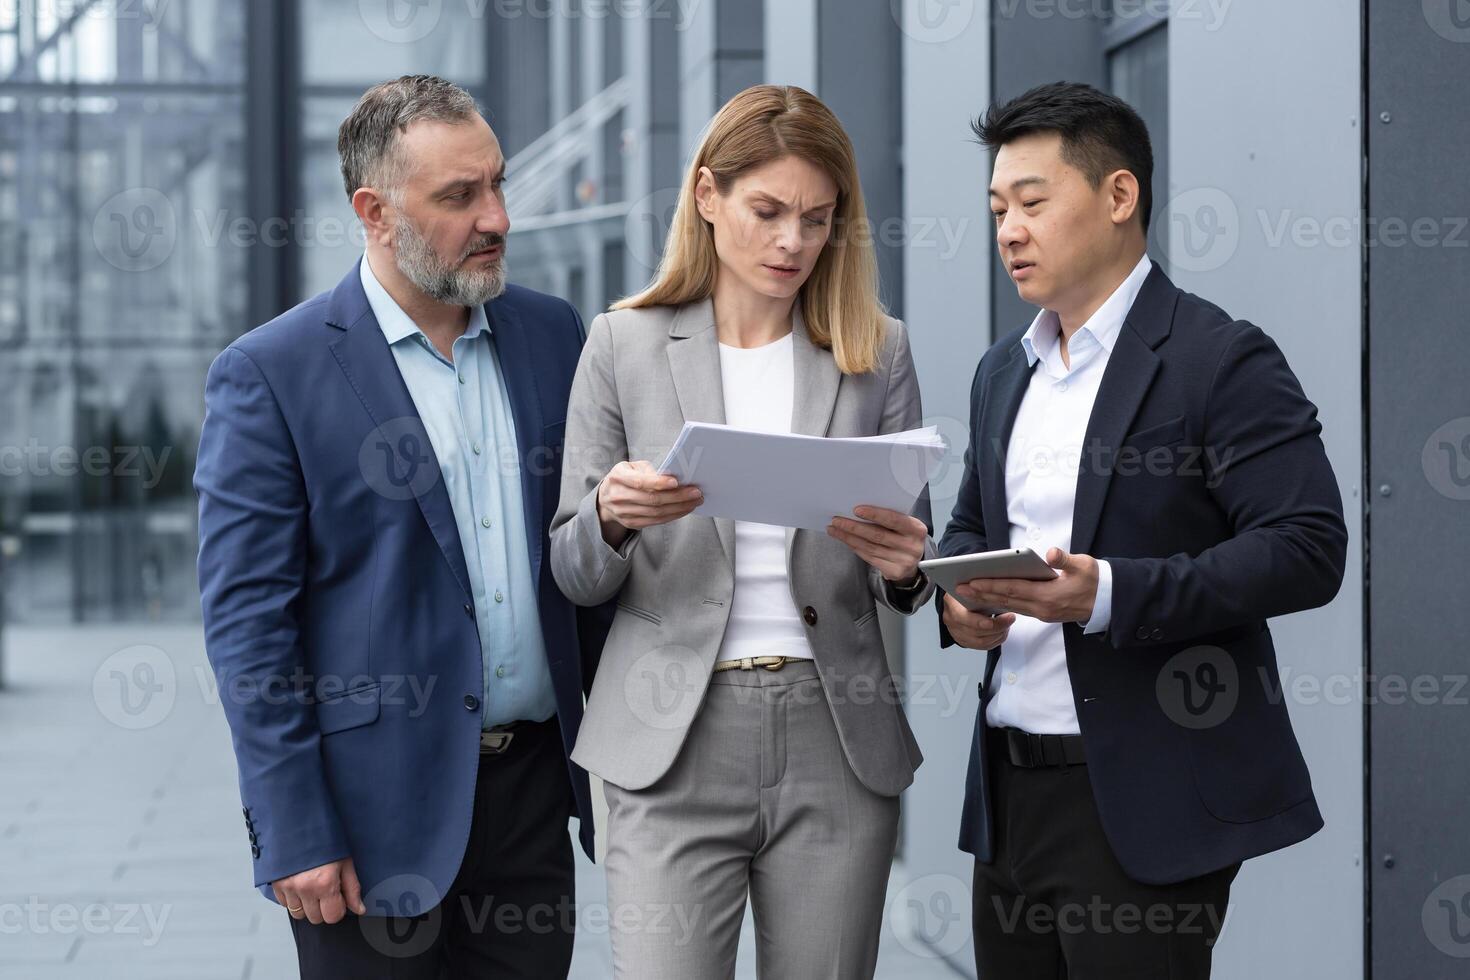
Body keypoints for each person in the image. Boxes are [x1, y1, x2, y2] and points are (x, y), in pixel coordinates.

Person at [195, 74, 611, 978]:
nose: (496, 216)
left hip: (534, 801)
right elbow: (246, 627)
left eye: (497, 183)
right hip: (365, 825)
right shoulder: (271, 374)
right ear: (374, 211)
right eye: (459, 196)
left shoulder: (551, 335)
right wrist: (292, 826)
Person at [937, 81, 1348, 978]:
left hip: (1146, 797)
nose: (1008, 229)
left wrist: (1111, 592)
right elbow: (973, 526)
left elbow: (1308, 547)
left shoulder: (1218, 357)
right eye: (998, 208)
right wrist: (960, 609)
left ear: (1119, 197)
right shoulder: (1002, 372)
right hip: (1008, 797)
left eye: (1033, 203)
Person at [549, 84, 937, 979]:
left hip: (835, 738)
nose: (793, 241)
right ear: (707, 195)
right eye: (767, 211)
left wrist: (908, 567)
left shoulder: (876, 352)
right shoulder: (623, 344)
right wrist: (609, 518)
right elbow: (573, 571)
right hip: (667, 740)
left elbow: (905, 570)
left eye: (816, 218)